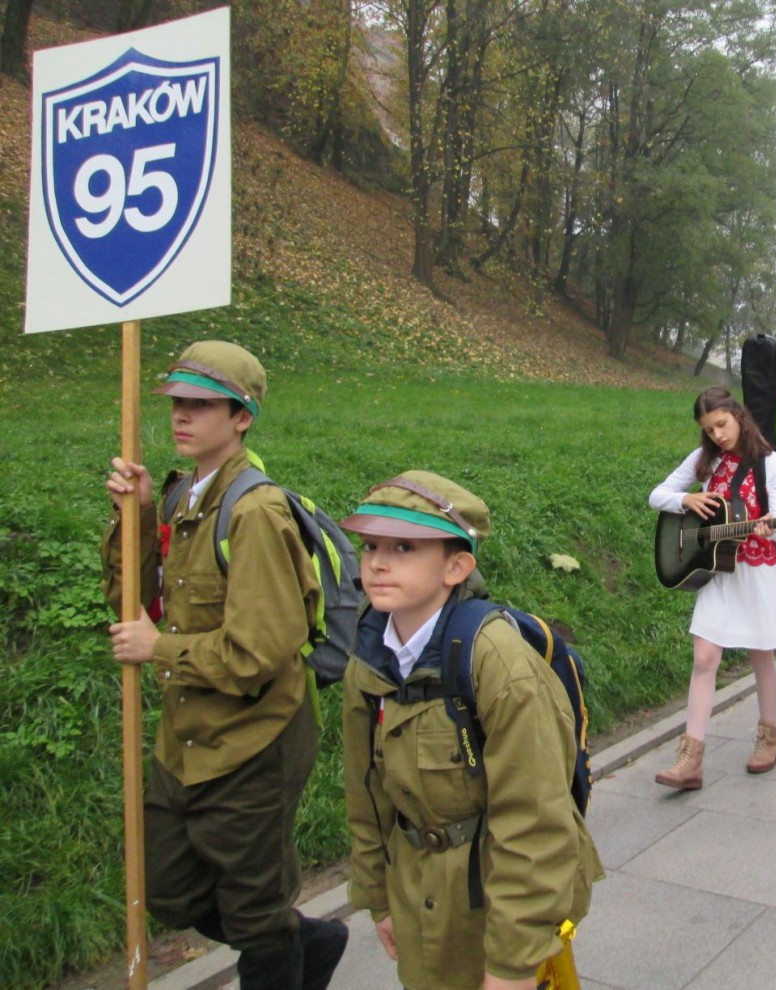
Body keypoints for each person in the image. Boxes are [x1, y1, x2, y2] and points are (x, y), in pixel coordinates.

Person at [102, 341, 347, 990]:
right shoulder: (186, 494)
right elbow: (141, 601)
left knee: (255, 913)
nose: (182, 416)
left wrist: (158, 649)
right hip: (187, 736)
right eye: (178, 403)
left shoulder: (255, 511)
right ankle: (313, 940)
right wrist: (141, 512)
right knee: (164, 886)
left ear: (241, 417)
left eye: (202, 405)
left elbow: (259, 653)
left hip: (256, 737)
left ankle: (286, 945)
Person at [340, 471, 603, 990]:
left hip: (497, 902)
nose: (377, 561)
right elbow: (366, 791)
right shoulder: (370, 658)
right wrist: (376, 896)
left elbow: (534, 821)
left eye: (404, 546)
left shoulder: (498, 663)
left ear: (456, 566)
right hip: (417, 894)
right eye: (370, 544)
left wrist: (512, 964)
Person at [649, 386, 776, 789]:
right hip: (717, 571)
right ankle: (690, 759)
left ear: (738, 416)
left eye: (722, 424)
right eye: (709, 429)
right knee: (704, 658)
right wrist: (686, 502)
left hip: (756, 569)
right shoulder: (704, 460)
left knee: (761, 656)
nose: (717, 435)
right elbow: (656, 495)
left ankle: (770, 738)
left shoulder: (771, 464)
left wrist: (773, 526)